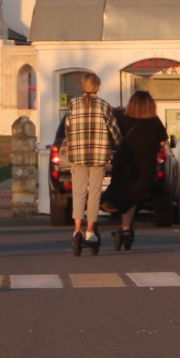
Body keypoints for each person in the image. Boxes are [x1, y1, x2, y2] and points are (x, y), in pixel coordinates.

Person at [61, 72, 118, 255]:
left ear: (82, 86)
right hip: (98, 155)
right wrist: (118, 142)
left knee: (78, 192)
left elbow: (67, 128)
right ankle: (90, 230)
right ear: (97, 87)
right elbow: (114, 129)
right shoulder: (104, 106)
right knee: (94, 192)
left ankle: (77, 229)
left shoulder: (73, 105)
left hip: (78, 154)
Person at [107, 90, 168, 251]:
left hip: (125, 164)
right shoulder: (155, 122)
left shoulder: (122, 119)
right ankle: (126, 228)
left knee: (124, 193)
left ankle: (124, 226)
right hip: (145, 167)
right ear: (150, 105)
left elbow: (114, 137)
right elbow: (163, 142)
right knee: (133, 196)